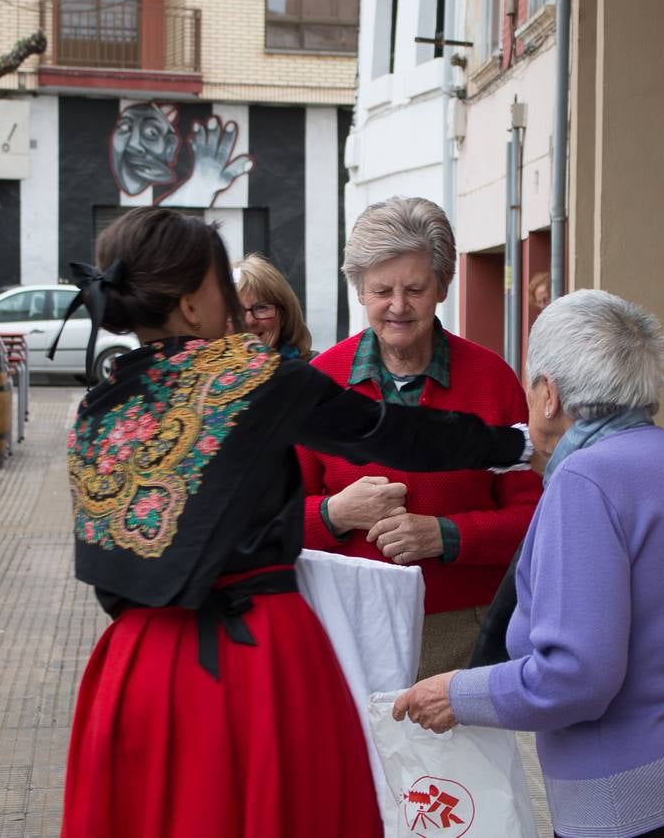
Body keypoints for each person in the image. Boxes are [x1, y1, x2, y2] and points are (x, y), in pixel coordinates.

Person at [57, 207, 529, 838]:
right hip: (254, 653)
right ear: (195, 304)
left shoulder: (97, 406)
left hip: (134, 663)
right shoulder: (251, 381)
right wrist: (516, 447)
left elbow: (106, 573)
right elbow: (393, 436)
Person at [395, 290, 664, 838]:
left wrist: (457, 694)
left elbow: (574, 678)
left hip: (650, 799)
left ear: (548, 395)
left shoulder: (585, 481)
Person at [296, 196, 542, 679]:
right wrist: (333, 513)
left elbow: (534, 518)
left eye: (415, 288)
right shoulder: (319, 381)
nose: (398, 307)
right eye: (381, 290)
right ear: (360, 291)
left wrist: (446, 535)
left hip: (462, 631)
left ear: (443, 285)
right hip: (344, 624)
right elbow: (270, 519)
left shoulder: (493, 381)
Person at [233, 252, 314, 360]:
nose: (249, 321)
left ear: (284, 315)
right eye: (236, 311)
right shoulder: (205, 375)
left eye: (261, 307)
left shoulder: (316, 371)